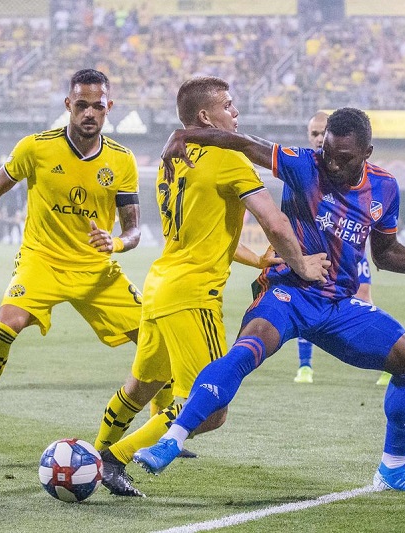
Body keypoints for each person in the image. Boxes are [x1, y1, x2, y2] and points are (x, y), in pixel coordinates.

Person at [133, 107, 405, 494]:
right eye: (327, 152)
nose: (331, 163)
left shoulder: (384, 188)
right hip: (288, 292)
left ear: (368, 152)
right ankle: (172, 438)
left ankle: (393, 471)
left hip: (338, 306)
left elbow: (386, 254)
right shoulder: (304, 164)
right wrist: (187, 135)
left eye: (343, 158)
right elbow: (246, 143)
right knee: (248, 349)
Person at [95, 76, 328, 497]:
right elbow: (272, 220)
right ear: (205, 116)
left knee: (141, 387)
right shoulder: (228, 157)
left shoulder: (173, 160)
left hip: (161, 285)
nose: (235, 113)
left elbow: (203, 230)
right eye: (228, 105)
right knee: (210, 407)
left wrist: (257, 259)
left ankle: (95, 455)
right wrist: (302, 264)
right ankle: (114, 460)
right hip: (192, 295)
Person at [0, 69, 156, 447]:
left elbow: (134, 230)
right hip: (42, 261)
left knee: (155, 341)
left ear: (109, 108)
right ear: (68, 105)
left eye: (98, 106)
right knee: (4, 327)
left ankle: (162, 425)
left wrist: (117, 243)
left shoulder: (122, 160)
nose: (90, 112)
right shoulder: (35, 148)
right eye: (82, 105)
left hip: (95, 270)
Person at [295, 111, 384, 385]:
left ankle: (387, 359)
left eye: (323, 133)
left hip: (350, 252)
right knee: (304, 304)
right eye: (314, 134)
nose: (319, 138)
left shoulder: (350, 166)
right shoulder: (303, 167)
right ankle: (305, 366)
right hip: (312, 254)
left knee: (364, 298)